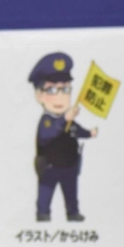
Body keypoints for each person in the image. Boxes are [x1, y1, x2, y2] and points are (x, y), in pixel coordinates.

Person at [28, 52, 98, 222]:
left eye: (65, 89)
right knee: (45, 193)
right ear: (39, 95)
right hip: (49, 167)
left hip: (69, 166)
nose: (60, 96)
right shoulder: (46, 121)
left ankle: (72, 213)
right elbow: (47, 135)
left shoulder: (69, 120)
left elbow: (77, 130)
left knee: (71, 192)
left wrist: (89, 133)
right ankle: (42, 214)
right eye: (52, 89)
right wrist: (64, 119)